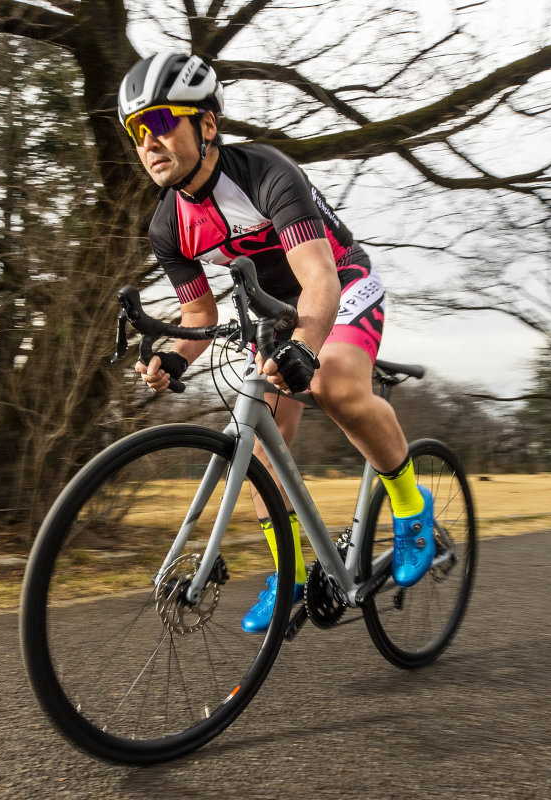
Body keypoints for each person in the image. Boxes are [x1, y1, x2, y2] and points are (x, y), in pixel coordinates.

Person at [118, 52, 436, 633]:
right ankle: (287, 571)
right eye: (139, 131)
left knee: (335, 385)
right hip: (270, 312)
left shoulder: (266, 173)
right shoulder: (167, 225)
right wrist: (171, 355)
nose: (149, 142)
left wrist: (306, 347)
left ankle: (415, 512)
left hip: (340, 282)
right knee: (257, 430)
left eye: (162, 122)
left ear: (207, 125)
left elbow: (319, 281)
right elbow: (198, 311)